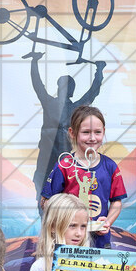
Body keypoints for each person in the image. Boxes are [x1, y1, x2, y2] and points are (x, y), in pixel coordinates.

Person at [41, 105, 127, 249]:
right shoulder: (64, 166)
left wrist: (107, 222)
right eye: (86, 132)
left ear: (104, 132)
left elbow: (116, 203)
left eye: (97, 132)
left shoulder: (110, 166)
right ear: (72, 133)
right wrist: (65, 220)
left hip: (100, 243)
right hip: (69, 245)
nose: (92, 138)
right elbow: (46, 202)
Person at [28, 52, 107, 194]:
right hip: (53, 159)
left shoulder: (59, 105)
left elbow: (37, 84)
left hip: (61, 159)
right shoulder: (57, 104)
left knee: (60, 191)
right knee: (48, 191)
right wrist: (99, 70)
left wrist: (34, 62)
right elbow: (93, 91)